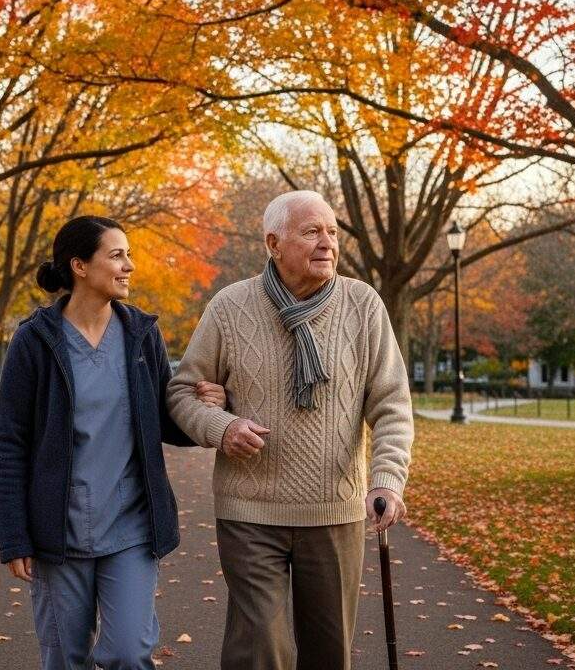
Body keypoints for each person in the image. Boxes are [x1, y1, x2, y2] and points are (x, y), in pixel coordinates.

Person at [168, 190, 415, 670]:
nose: (327, 243)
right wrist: (222, 426)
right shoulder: (230, 307)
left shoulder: (362, 305)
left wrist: (386, 478)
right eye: (311, 232)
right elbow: (182, 392)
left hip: (333, 511)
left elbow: (391, 405)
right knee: (259, 646)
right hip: (249, 510)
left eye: (332, 232)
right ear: (273, 243)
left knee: (329, 652)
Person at [0, 215, 223, 670]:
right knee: (64, 657)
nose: (129, 266)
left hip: (130, 525)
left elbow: (166, 422)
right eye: (117, 255)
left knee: (128, 652)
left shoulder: (140, 335)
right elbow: (10, 445)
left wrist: (209, 405)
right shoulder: (34, 342)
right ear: (79, 266)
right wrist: (14, 535)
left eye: (128, 255)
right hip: (58, 530)